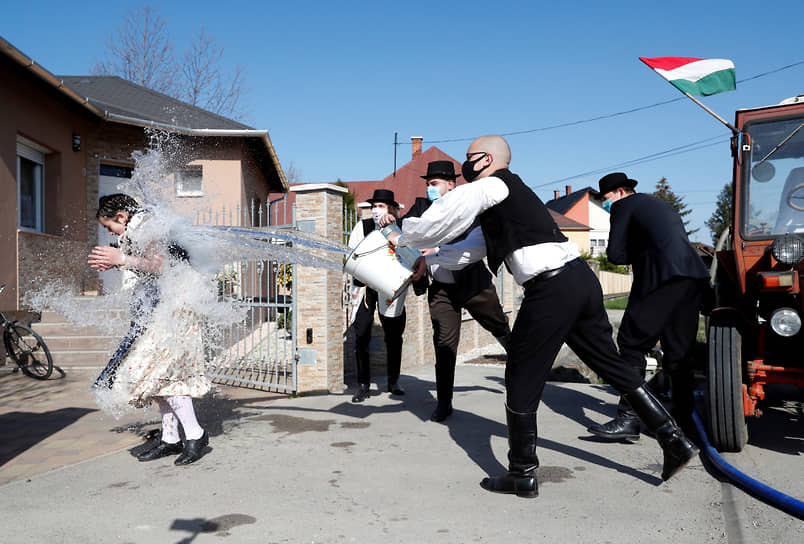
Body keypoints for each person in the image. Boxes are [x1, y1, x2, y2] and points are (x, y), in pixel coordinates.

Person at [387, 135, 698, 498]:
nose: (464, 164)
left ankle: (522, 471)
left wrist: (401, 235)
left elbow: (437, 219)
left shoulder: (492, 184)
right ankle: (673, 439)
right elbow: (469, 250)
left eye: (468, 158)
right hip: (578, 280)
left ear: (486, 159)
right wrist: (430, 260)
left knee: (520, 373)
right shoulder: (509, 199)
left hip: (552, 288)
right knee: (611, 363)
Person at [586, 173, 710, 440]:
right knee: (679, 352)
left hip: (660, 279)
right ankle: (683, 420)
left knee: (631, 344)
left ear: (620, 192)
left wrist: (637, 250)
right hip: (692, 278)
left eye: (605, 198)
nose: (606, 204)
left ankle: (629, 419)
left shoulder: (623, 206)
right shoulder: (658, 205)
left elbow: (615, 254)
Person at [88, 193, 210, 466]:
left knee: (161, 370)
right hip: (166, 305)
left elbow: (160, 265)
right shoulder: (138, 228)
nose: (110, 232)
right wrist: (118, 259)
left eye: (109, 226)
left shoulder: (145, 226)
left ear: (121, 216)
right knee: (158, 372)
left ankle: (195, 434)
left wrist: (121, 259)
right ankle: (170, 437)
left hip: (179, 305)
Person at [399, 160, 511, 422]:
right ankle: (445, 403)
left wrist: (433, 253)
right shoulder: (421, 209)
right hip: (441, 290)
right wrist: (392, 221)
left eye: (435, 184)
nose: (430, 189)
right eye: (428, 185)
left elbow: (470, 247)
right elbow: (403, 233)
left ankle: (521, 371)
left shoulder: (468, 208)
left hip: (473, 284)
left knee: (499, 326)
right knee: (444, 346)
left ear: (451, 185)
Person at [347, 189, 409, 402]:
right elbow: (351, 253)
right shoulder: (362, 226)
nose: (376, 210)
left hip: (390, 289)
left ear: (391, 209)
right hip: (365, 288)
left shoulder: (399, 228)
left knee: (393, 335)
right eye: (374, 206)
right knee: (361, 333)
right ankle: (363, 385)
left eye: (381, 206)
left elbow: (407, 256)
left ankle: (394, 381)